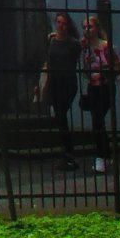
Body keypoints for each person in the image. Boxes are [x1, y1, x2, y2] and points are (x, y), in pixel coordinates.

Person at [33, 12, 80, 171]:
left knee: (61, 114)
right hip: (54, 82)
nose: (60, 26)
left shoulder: (73, 43)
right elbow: (47, 61)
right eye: (58, 22)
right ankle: (67, 152)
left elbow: (74, 60)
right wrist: (40, 84)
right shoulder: (51, 40)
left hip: (67, 82)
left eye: (63, 23)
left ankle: (68, 152)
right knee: (60, 118)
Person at [80, 15, 120, 173]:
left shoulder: (106, 46)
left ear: (97, 28)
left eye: (89, 27)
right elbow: (84, 69)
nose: (86, 30)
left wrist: (102, 74)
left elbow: (117, 67)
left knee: (98, 118)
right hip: (92, 87)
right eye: (84, 27)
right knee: (97, 121)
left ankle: (101, 155)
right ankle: (104, 154)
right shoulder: (85, 48)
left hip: (106, 86)